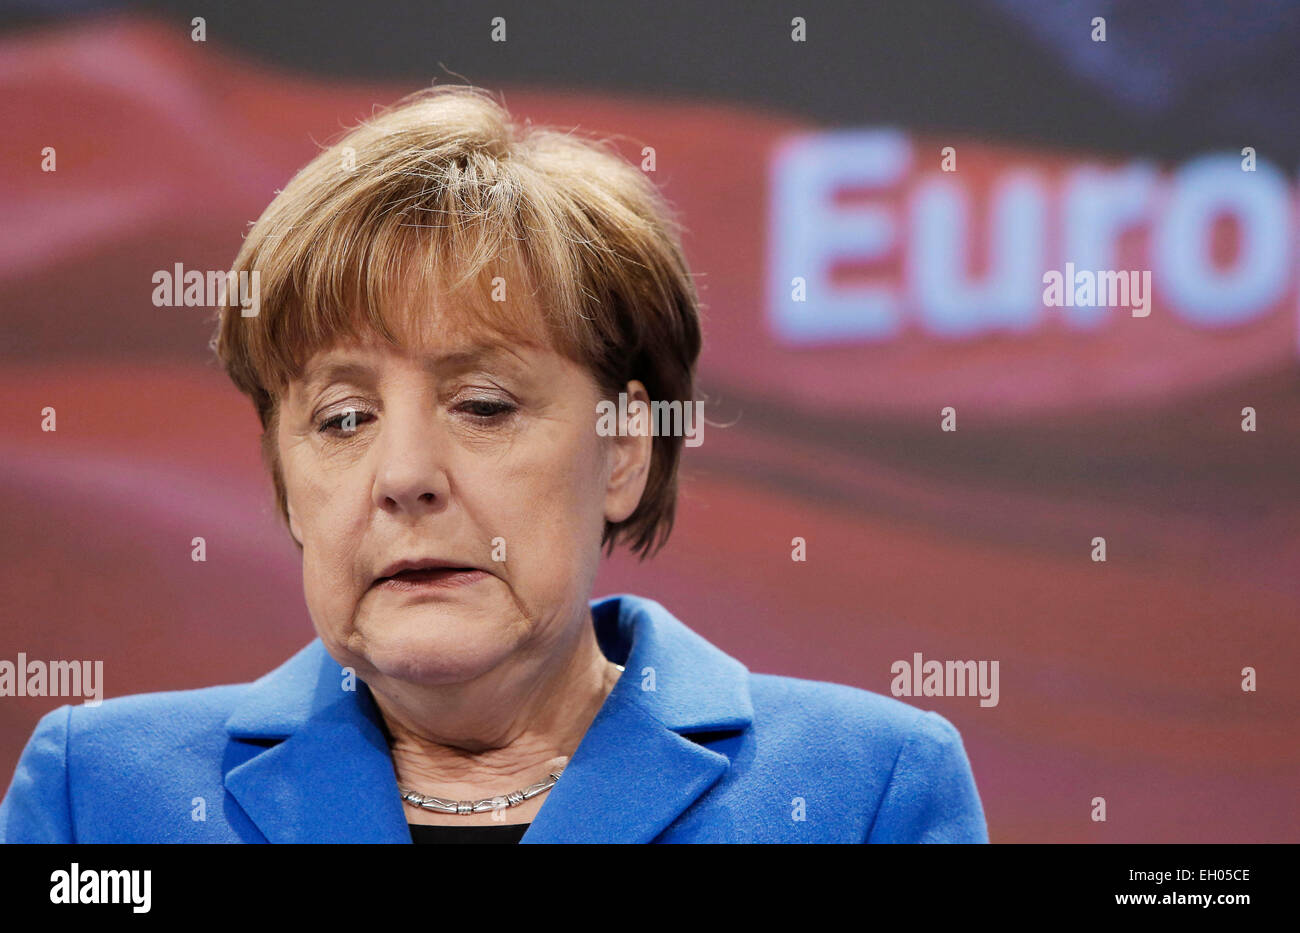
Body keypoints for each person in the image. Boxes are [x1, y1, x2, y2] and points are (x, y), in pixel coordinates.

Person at [0, 85, 988, 843]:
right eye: (343, 419)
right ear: (284, 481)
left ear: (622, 453)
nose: (404, 476)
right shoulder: (102, 796)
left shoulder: (868, 792)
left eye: (482, 405)